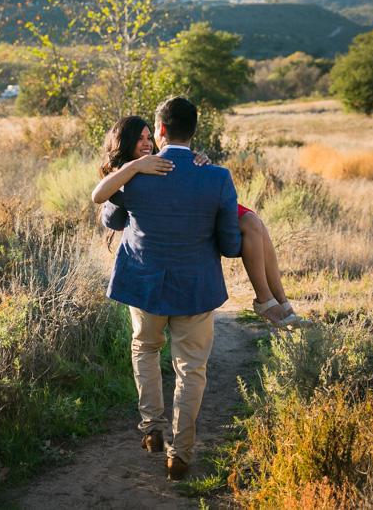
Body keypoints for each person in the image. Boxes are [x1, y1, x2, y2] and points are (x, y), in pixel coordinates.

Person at [97, 98, 241, 481]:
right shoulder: (217, 176)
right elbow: (230, 246)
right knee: (191, 369)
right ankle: (181, 453)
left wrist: (129, 170)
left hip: (143, 283)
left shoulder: (136, 177)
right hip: (196, 288)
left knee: (145, 349)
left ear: (159, 131)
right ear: (195, 133)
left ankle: (151, 428)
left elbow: (111, 218)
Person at [93, 118, 312, 330]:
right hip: (171, 222)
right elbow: (102, 202)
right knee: (251, 223)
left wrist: (196, 162)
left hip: (189, 202)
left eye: (149, 137)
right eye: (140, 139)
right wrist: (135, 166)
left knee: (254, 222)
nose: (148, 143)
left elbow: (175, 165)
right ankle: (268, 301)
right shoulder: (124, 172)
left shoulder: (153, 160)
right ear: (125, 142)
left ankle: (280, 303)